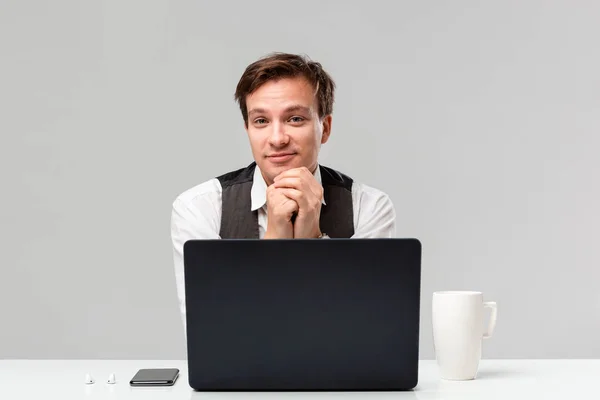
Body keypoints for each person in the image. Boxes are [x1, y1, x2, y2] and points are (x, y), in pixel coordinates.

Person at [171, 52, 396, 324]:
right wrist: (275, 239)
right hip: (239, 369)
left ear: (324, 128)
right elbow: (208, 327)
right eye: (261, 121)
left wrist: (311, 238)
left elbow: (364, 326)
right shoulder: (201, 207)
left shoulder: (368, 208)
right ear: (248, 130)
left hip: (339, 369)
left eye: (295, 119)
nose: (277, 139)